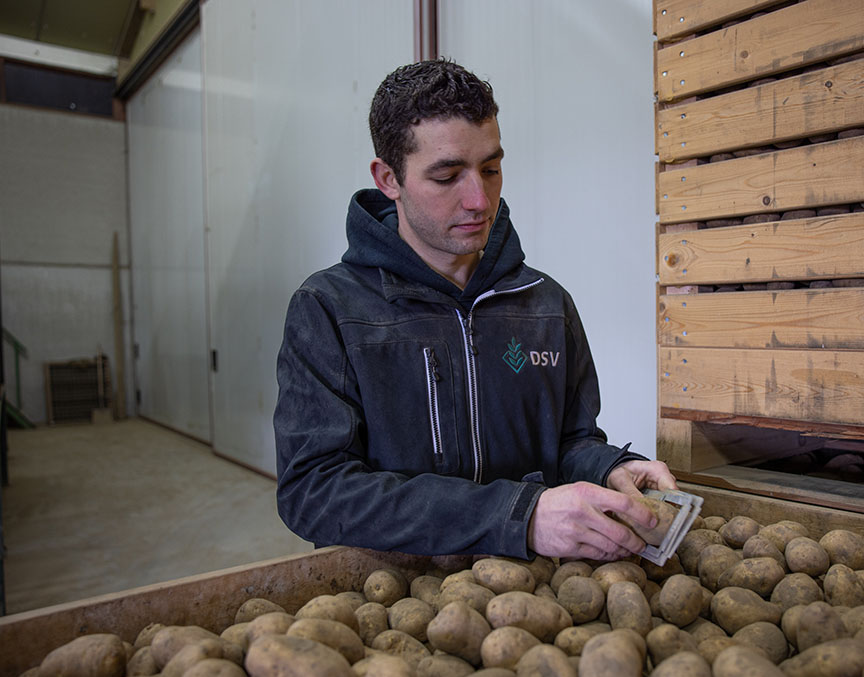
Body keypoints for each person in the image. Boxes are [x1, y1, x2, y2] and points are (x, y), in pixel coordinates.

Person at [273, 59, 676, 562]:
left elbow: (570, 441)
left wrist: (608, 467)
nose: (479, 200)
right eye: (447, 176)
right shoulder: (329, 311)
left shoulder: (545, 305)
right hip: (395, 595)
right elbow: (314, 492)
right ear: (388, 179)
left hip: (534, 590)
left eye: (491, 169)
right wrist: (518, 516)